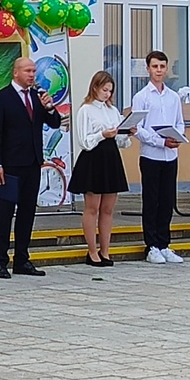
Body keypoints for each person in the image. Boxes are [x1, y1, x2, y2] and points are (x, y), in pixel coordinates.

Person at [0, 56, 66, 278]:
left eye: (33, 71)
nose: (32, 74)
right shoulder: (1, 98)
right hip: (9, 165)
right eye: (28, 71)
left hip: (32, 163)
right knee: (5, 213)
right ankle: (0, 260)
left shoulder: (37, 97)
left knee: (27, 213)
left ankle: (22, 259)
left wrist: (50, 108)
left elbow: (54, 123)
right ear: (16, 73)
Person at [70, 71, 129, 266]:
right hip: (93, 159)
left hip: (111, 158)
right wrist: (102, 134)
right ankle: (92, 250)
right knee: (92, 208)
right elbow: (84, 141)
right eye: (104, 90)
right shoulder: (86, 110)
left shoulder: (112, 110)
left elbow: (120, 141)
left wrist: (128, 133)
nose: (107, 94)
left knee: (108, 209)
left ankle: (105, 250)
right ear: (95, 88)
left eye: (110, 91)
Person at [131, 51, 184, 265]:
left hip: (170, 156)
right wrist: (160, 141)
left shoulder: (173, 97)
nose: (159, 71)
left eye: (162, 66)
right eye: (155, 66)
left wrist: (177, 138)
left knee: (167, 200)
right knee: (151, 200)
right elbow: (138, 129)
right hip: (151, 155)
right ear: (148, 69)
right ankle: (151, 245)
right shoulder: (142, 97)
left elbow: (179, 122)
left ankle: (164, 243)